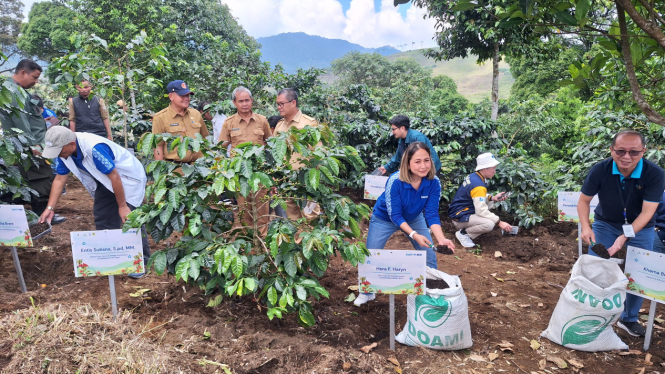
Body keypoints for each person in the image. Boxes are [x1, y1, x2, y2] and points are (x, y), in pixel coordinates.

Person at [577, 129, 665, 337]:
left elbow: (647, 212)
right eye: (621, 151)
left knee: (638, 273)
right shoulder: (600, 170)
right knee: (595, 265)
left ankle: (629, 318)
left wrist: (625, 236)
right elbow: (584, 201)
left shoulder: (655, 174)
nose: (627, 156)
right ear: (612, 150)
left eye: (634, 152)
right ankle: (590, 312)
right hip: (605, 223)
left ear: (644, 151)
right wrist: (586, 227)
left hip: (641, 228)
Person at [38, 126, 150, 278]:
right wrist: (50, 207)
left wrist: (123, 206)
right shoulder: (64, 153)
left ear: (71, 144)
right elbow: (59, 179)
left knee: (131, 218)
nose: (58, 155)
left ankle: (141, 262)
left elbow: (115, 177)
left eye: (59, 151)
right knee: (103, 215)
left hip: (126, 178)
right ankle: (112, 256)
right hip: (104, 180)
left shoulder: (95, 149)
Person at [355, 142, 457, 307]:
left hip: (414, 217)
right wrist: (414, 235)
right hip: (384, 218)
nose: (423, 166)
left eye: (426, 160)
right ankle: (366, 292)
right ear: (408, 163)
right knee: (371, 254)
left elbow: (431, 213)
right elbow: (395, 215)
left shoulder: (433, 182)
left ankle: (430, 292)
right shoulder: (395, 180)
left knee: (429, 255)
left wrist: (441, 239)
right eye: (417, 161)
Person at [0, 59, 66, 224]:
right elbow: (20, 118)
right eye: (34, 77)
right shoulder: (12, 90)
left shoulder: (17, 90)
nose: (36, 82)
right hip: (28, 144)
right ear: (22, 72)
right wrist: (32, 144)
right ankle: (41, 213)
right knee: (41, 176)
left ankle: (36, 214)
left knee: (29, 178)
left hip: (28, 143)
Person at [218, 87, 272, 235]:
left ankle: (262, 243)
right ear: (234, 103)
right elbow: (221, 147)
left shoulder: (262, 120)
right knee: (244, 209)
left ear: (252, 101)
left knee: (262, 209)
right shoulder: (229, 123)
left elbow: (270, 143)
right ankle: (248, 242)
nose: (244, 104)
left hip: (259, 173)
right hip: (240, 174)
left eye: (247, 100)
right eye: (240, 101)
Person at [273, 88, 321, 220]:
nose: (279, 107)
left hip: (305, 182)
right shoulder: (279, 126)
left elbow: (319, 153)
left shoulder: (309, 123)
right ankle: (297, 241)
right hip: (285, 182)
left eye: (282, 104)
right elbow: (275, 153)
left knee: (310, 217)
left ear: (293, 102)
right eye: (277, 104)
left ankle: (310, 241)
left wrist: (313, 182)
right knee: (291, 219)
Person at [448, 153, 512, 247]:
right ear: (484, 168)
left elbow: (475, 195)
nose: (495, 171)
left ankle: (469, 227)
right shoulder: (478, 185)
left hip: (460, 211)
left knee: (490, 203)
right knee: (489, 224)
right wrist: (499, 222)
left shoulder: (475, 176)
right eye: (493, 168)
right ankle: (464, 233)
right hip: (459, 218)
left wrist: (492, 198)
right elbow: (481, 210)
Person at [152, 80, 209, 163]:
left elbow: (204, 138)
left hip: (199, 167)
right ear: (171, 96)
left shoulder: (196, 114)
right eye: (182, 96)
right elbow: (158, 147)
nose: (186, 99)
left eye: (188, 95)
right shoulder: (160, 117)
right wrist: (161, 172)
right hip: (175, 169)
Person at [31, 94, 66, 195]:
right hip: (37, 143)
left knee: (54, 166)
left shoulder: (50, 115)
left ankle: (60, 189)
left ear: (41, 109)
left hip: (51, 142)